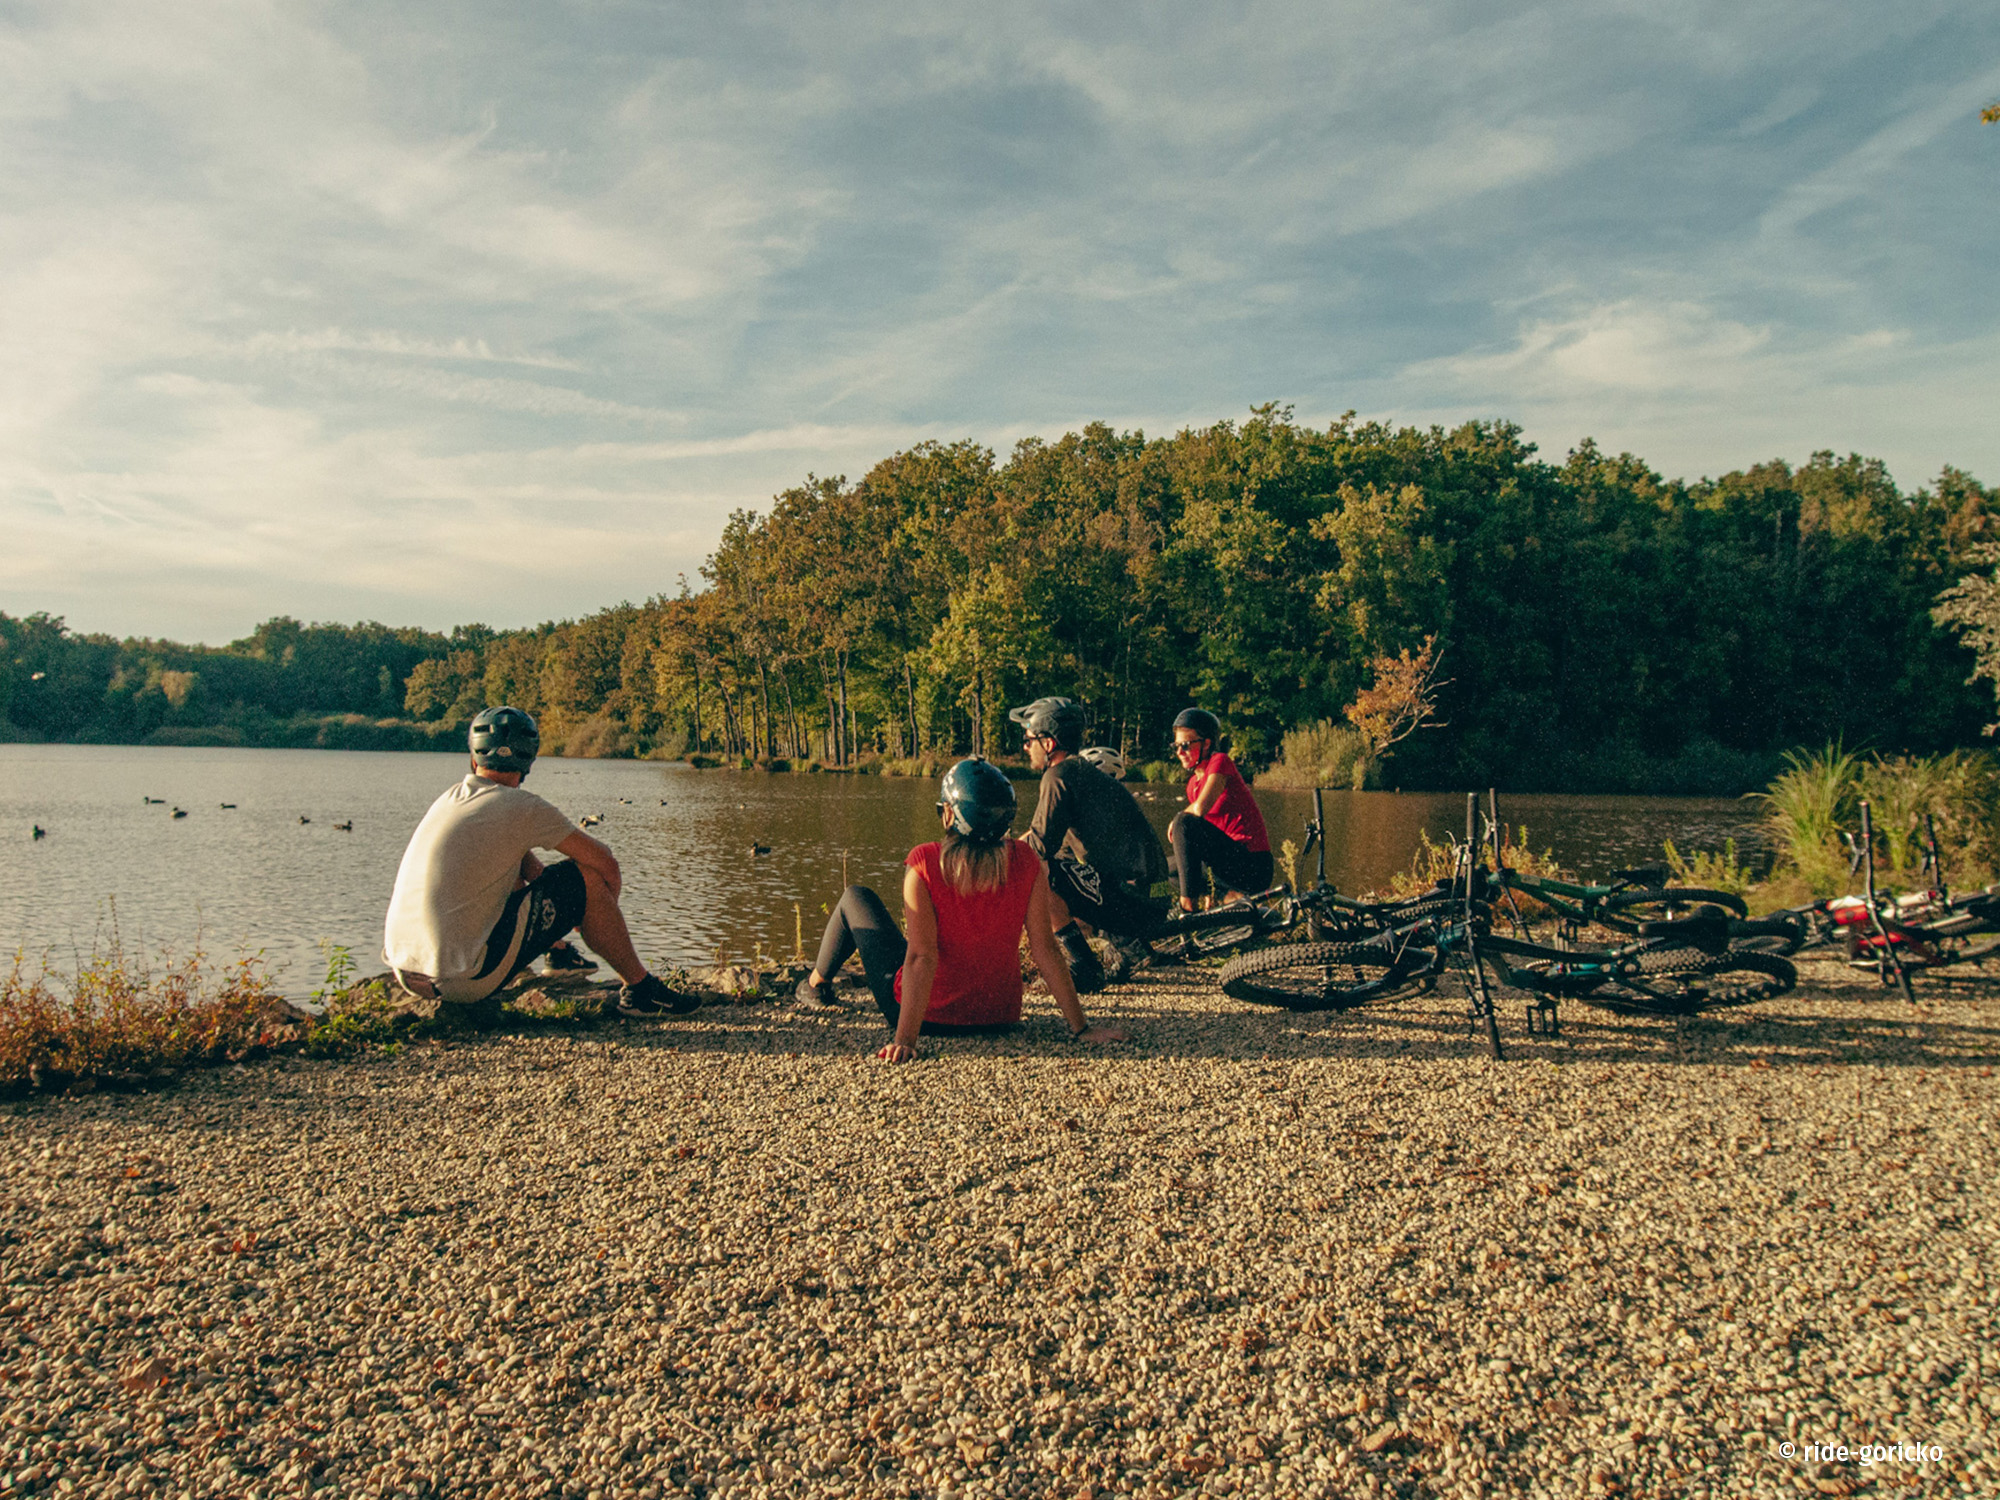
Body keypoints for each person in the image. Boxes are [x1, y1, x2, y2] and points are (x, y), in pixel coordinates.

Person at [793, 757, 1127, 1061]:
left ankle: (815, 985)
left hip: (930, 1018)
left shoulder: (925, 862)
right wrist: (1082, 1029)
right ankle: (817, 985)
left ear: (950, 815)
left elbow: (922, 957)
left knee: (855, 898)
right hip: (999, 1015)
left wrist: (905, 1040)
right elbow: (1045, 949)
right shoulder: (1026, 861)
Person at [383, 706, 695, 1020]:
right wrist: (595, 912)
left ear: (474, 759)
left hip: (406, 973)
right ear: (529, 762)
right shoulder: (523, 807)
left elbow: (529, 869)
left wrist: (561, 924)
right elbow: (606, 864)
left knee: (517, 870)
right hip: (464, 982)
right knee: (586, 877)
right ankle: (641, 990)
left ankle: (558, 956)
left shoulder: (451, 798)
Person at [1007, 697, 1168, 991]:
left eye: (1029, 740)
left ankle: (1084, 966)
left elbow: (1037, 848)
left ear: (1049, 743)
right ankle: (1126, 945)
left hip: (1135, 905)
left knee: (1036, 872)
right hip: (1152, 899)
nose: (1026, 747)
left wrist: (999, 852)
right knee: (1057, 868)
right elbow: (1055, 845)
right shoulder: (1083, 773)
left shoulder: (1058, 777)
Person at [1167, 707, 1273, 911]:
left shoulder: (1220, 762)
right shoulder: (1192, 785)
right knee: (1167, 872)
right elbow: (1202, 843)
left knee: (1184, 822)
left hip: (1252, 865)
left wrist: (1177, 820)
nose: (1179, 752)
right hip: (1225, 868)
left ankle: (1187, 908)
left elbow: (1200, 809)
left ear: (1206, 743)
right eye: (1176, 746)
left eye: (1185, 745)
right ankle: (1223, 898)